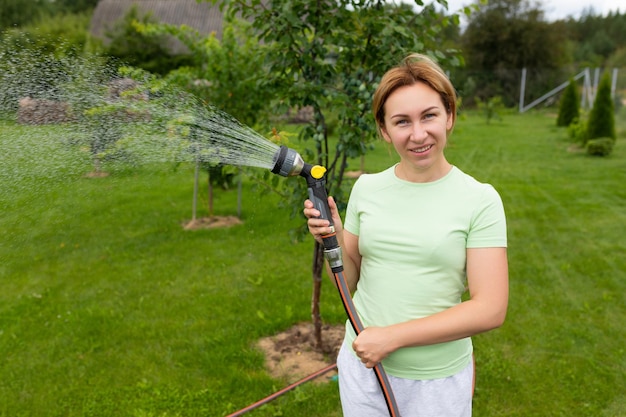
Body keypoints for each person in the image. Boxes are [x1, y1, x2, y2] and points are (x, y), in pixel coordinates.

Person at [303, 53, 509, 417]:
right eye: (401, 121)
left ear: (449, 115)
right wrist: (332, 237)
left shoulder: (480, 200)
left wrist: (392, 337)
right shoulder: (367, 188)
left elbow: (490, 308)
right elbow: (350, 280)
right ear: (384, 130)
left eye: (429, 115)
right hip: (364, 369)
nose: (418, 134)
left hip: (435, 383)